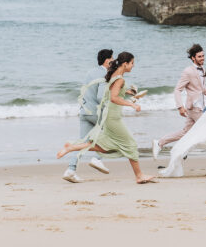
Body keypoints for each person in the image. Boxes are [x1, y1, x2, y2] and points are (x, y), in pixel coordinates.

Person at [57, 52, 155, 184]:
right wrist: (131, 104)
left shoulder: (113, 75)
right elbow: (113, 98)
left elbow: (111, 92)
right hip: (111, 117)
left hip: (96, 113)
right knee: (130, 144)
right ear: (125, 64)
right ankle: (139, 175)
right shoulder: (119, 78)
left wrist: (126, 92)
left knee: (108, 145)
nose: (133, 66)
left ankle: (73, 147)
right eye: (132, 63)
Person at [152, 44, 206, 159]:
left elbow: (202, 88)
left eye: (203, 56)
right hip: (194, 107)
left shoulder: (202, 69)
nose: (202, 58)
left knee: (185, 132)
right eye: (199, 56)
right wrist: (180, 106)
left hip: (200, 106)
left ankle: (160, 143)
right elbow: (178, 89)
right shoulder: (188, 71)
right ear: (193, 58)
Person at [62, 49, 113, 183]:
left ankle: (70, 170)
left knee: (81, 143)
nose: (113, 62)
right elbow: (100, 96)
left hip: (84, 112)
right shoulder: (105, 74)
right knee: (110, 135)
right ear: (107, 60)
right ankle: (97, 159)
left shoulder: (90, 72)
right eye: (112, 59)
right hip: (96, 113)